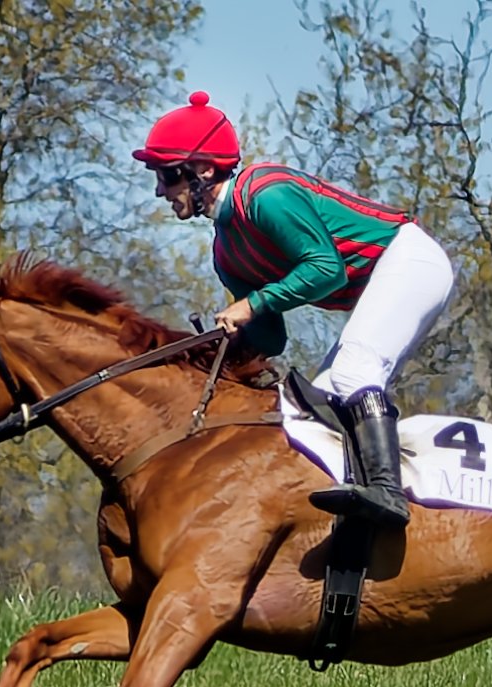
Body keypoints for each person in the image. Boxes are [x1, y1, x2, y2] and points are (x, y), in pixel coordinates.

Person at [133, 91, 454, 529]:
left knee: (354, 372)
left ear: (204, 169)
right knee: (314, 404)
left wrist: (252, 303)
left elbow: (327, 270)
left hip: (411, 261)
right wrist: (225, 346)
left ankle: (387, 494)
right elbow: (272, 339)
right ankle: (354, 516)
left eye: (167, 176)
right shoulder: (226, 251)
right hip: (382, 280)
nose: (159, 190)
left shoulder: (265, 194)